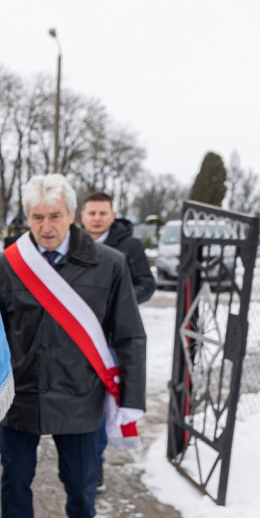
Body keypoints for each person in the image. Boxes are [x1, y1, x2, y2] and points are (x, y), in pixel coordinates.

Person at [0, 174, 146, 518]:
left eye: (55, 215)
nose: (46, 226)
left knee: (79, 482)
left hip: (80, 394)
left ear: (72, 215)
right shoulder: (6, 265)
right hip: (22, 394)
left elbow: (130, 335)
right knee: (13, 483)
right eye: (37, 217)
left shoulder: (109, 264)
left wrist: (131, 400)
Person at [79, 191, 155, 488]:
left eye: (102, 213)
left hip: (109, 340)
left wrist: (120, 301)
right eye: (92, 213)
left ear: (112, 215)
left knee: (100, 402)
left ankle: (95, 464)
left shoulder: (129, 246)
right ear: (81, 216)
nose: (97, 218)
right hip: (74, 336)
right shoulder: (70, 244)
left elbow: (147, 285)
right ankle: (77, 460)